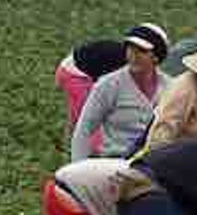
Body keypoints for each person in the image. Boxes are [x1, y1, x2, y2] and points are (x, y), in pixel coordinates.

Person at [70, 24, 171, 161]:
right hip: (115, 161)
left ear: (156, 57)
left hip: (156, 162)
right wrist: (78, 169)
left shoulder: (171, 86)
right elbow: (84, 130)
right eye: (130, 49)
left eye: (141, 51)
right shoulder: (108, 85)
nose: (133, 56)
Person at [55, 37, 128, 155]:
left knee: (77, 116)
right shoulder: (122, 59)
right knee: (89, 118)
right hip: (73, 75)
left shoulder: (122, 53)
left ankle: (69, 144)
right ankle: (98, 153)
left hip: (75, 71)